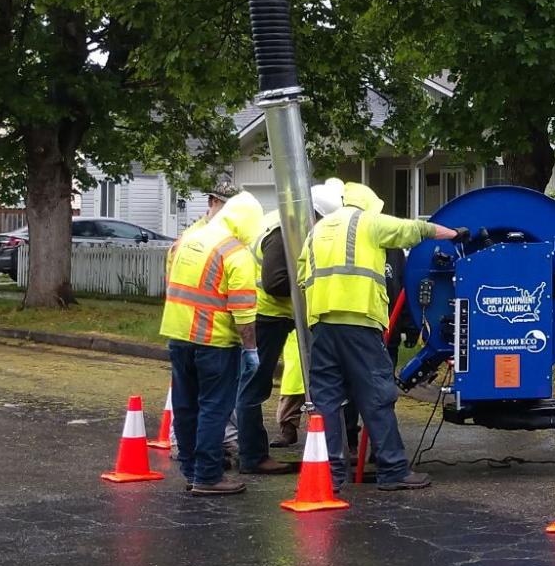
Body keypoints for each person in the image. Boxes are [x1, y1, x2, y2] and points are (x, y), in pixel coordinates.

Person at [299, 182, 461, 491]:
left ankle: (330, 475)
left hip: (321, 324)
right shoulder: (367, 221)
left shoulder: (315, 231)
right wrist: (453, 234)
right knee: (377, 394)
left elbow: (301, 275)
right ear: (370, 203)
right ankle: (393, 469)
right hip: (359, 320)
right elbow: (412, 230)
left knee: (327, 399)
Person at [233, 178, 344, 474]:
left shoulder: (289, 224)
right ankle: (252, 457)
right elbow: (275, 282)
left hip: (277, 314)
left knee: (255, 384)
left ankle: (253, 452)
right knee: (254, 387)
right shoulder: (283, 233)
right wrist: (315, 286)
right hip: (266, 315)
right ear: (314, 215)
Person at [160, 183, 264, 495]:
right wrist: (251, 349)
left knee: (185, 405)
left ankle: (192, 472)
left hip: (178, 335)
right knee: (213, 409)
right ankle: (208, 476)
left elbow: (171, 282)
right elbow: (244, 311)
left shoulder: (186, 239)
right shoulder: (235, 252)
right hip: (214, 341)